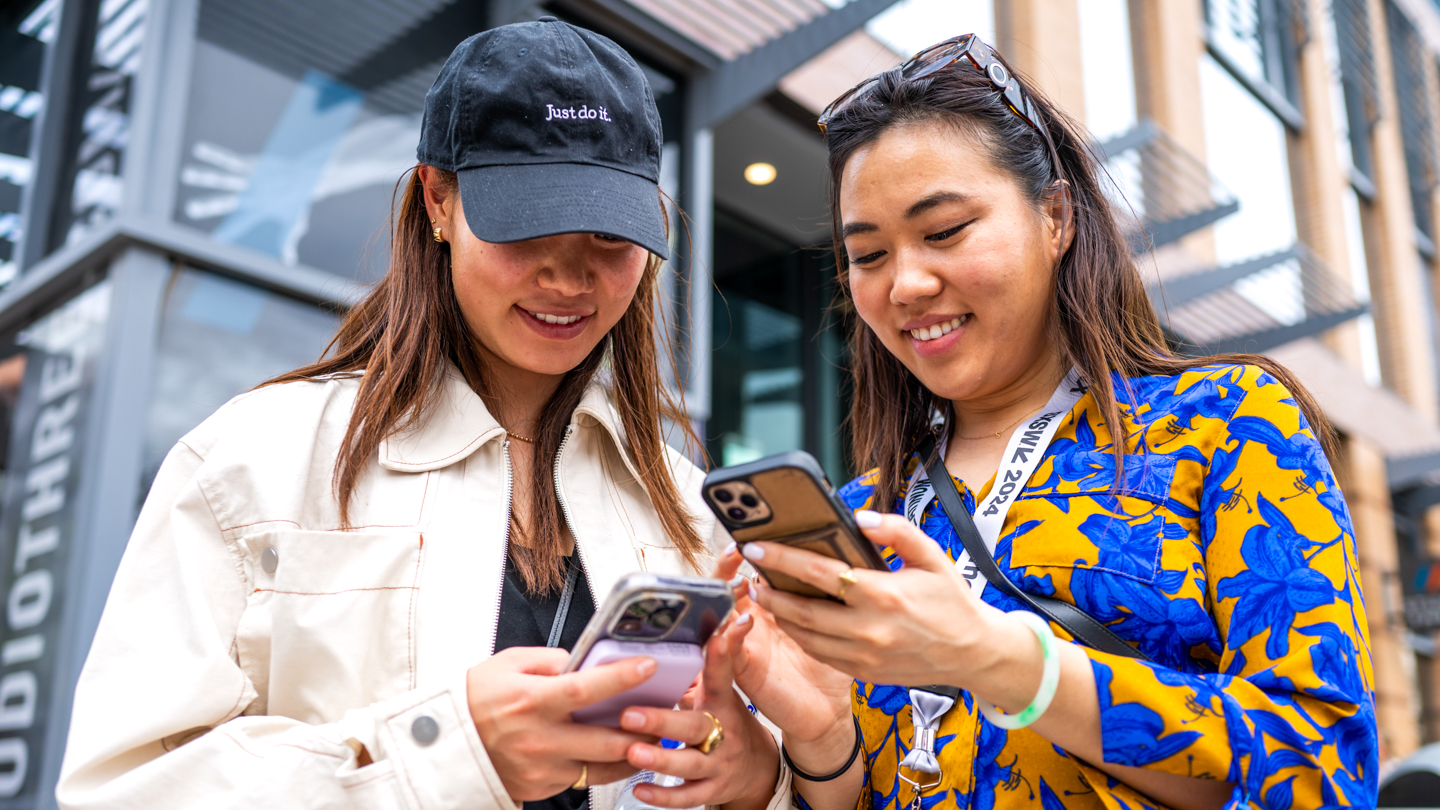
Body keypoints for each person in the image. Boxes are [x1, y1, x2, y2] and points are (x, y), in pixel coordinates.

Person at [56, 19, 787, 810]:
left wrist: (760, 781)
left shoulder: (688, 509)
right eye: (528, 222)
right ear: (438, 200)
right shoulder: (254, 460)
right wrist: (448, 751)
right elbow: (122, 790)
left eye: (611, 234)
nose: (570, 276)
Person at [712, 33, 1378, 810]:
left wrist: (1005, 663)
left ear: (1055, 217)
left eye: (944, 231)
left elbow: (1323, 769)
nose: (906, 284)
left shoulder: (1223, 424)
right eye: (868, 256)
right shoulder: (865, 515)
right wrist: (824, 746)